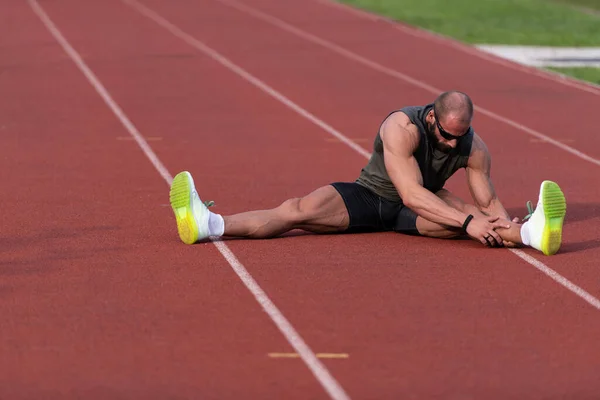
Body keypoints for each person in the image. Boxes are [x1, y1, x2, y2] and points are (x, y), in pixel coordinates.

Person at [168, 91, 567, 256]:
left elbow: (486, 200)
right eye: (446, 136)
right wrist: (468, 222)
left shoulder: (472, 145)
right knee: (296, 209)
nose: (451, 144)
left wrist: (494, 219)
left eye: (459, 138)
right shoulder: (401, 127)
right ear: (432, 117)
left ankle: (533, 234)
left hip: (421, 207)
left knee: (475, 214)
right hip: (374, 196)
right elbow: (407, 193)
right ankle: (209, 224)